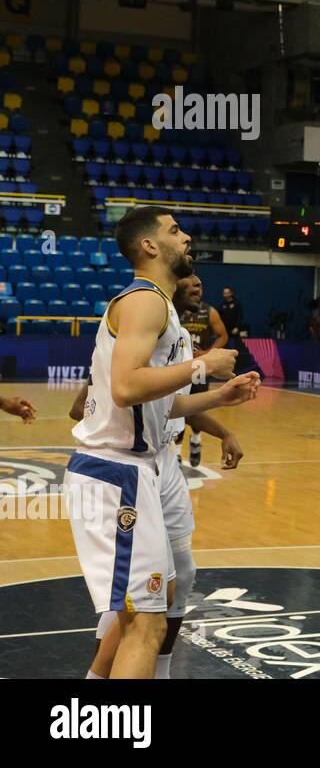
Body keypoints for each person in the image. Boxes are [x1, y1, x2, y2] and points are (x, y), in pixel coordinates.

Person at [63, 206, 259, 679]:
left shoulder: (160, 307)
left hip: (134, 471)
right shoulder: (145, 301)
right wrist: (203, 366)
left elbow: (155, 406)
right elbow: (126, 387)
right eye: (175, 230)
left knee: (158, 601)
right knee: (146, 623)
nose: (187, 236)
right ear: (150, 246)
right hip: (116, 475)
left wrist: (220, 397)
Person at [176, 274, 229, 466]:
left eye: (200, 288)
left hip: (200, 367)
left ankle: (196, 439)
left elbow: (223, 335)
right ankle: (176, 451)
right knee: (179, 406)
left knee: (198, 407)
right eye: (193, 287)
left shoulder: (209, 311)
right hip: (180, 366)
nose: (198, 292)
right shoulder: (175, 312)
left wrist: (209, 353)